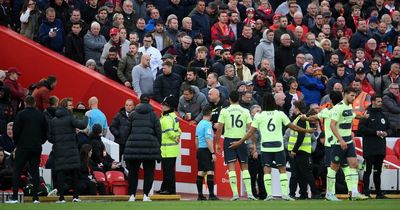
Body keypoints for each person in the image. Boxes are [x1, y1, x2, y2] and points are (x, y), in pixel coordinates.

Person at [230, 93, 315, 201]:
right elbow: (293, 127)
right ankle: (284, 194)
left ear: (263, 103)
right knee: (282, 170)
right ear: (274, 102)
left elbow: (251, 132)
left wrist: (240, 141)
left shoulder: (259, 116)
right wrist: (307, 130)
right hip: (278, 146)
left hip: (266, 147)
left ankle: (269, 195)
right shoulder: (280, 114)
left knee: (267, 170)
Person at [326, 87, 369, 201]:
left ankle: (354, 192)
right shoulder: (338, 108)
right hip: (338, 143)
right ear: (345, 94)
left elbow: (353, 116)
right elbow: (332, 125)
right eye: (351, 95)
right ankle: (329, 193)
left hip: (349, 141)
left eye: (354, 96)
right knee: (334, 167)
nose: (353, 98)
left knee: (354, 164)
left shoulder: (349, 107)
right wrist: (340, 140)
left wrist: (362, 116)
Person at [215, 90, 256, 201]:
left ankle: (235, 194)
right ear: (239, 98)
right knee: (245, 167)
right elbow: (250, 129)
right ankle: (250, 194)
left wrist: (217, 143)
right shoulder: (245, 111)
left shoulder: (224, 111)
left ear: (229, 99)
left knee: (231, 167)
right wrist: (253, 144)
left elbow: (219, 128)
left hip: (229, 140)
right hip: (242, 140)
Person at [6, 95, 47, 204]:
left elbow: (16, 130)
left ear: (25, 103)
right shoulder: (41, 115)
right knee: (35, 172)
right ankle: (35, 198)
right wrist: (40, 142)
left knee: (17, 170)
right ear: (34, 103)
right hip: (36, 147)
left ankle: (14, 197)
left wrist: (17, 143)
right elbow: (46, 132)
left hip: (23, 147)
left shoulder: (21, 115)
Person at [49, 97, 88, 203]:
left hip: (59, 150)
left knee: (60, 173)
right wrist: (85, 116)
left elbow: (50, 137)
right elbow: (83, 125)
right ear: (66, 106)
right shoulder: (71, 117)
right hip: (71, 149)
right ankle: (75, 197)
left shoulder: (53, 120)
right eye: (71, 105)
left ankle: (61, 198)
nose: (72, 107)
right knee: (74, 172)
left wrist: (58, 142)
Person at [124, 94, 161, 202]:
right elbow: (158, 132)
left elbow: (126, 131)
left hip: (133, 147)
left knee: (133, 173)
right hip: (150, 147)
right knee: (149, 172)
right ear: (149, 101)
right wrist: (158, 145)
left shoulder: (133, 114)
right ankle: (145, 195)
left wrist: (126, 144)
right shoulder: (153, 115)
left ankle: (132, 195)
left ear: (139, 101)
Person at [359, 95, 391, 198]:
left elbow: (390, 128)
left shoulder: (383, 115)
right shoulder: (367, 114)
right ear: (372, 102)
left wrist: (387, 133)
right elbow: (361, 128)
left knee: (378, 171)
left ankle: (378, 193)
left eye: (381, 101)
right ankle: (366, 192)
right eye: (378, 101)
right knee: (368, 171)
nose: (380, 103)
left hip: (380, 148)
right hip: (369, 147)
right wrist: (375, 132)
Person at [287, 100, 319, 199]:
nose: (293, 108)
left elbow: (301, 136)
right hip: (301, 150)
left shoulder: (301, 119)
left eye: (294, 107)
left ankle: (315, 193)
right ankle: (304, 194)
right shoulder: (301, 118)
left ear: (297, 108)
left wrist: (294, 150)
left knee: (305, 173)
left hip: (300, 150)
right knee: (301, 173)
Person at [157, 96, 181, 195]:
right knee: (168, 170)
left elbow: (169, 131)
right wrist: (177, 136)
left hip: (167, 148)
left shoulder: (166, 118)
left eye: (164, 105)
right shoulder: (173, 116)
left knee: (168, 171)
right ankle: (165, 187)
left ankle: (170, 190)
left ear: (169, 107)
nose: (162, 106)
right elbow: (179, 130)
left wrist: (174, 137)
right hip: (172, 148)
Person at [195, 105, 219, 200]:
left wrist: (198, 150)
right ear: (210, 113)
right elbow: (208, 139)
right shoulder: (207, 124)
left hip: (200, 149)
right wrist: (212, 153)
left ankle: (200, 195)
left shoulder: (199, 124)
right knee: (210, 171)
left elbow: (196, 139)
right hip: (206, 150)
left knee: (201, 172)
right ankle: (211, 195)